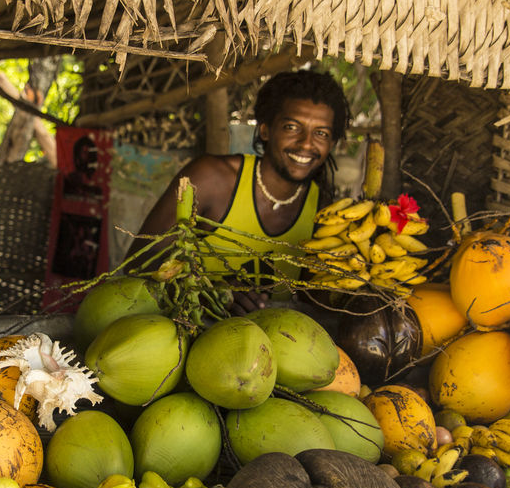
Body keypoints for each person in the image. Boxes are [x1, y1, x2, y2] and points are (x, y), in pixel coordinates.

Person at [133, 69, 350, 311]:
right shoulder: (211, 179)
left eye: (321, 133)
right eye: (292, 127)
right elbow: (136, 271)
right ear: (265, 129)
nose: (306, 143)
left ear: (331, 144)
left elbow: (315, 304)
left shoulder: (324, 212)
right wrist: (204, 296)